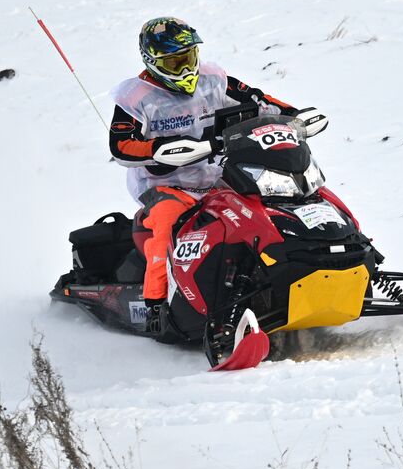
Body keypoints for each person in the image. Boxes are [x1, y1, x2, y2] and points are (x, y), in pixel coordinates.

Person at [107, 17, 327, 334]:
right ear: (153, 62)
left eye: (189, 58)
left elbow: (257, 99)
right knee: (167, 228)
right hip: (166, 186)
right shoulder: (136, 98)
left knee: (273, 204)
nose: (186, 70)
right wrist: (156, 148)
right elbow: (120, 144)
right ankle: (157, 308)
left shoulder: (213, 80)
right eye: (175, 62)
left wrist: (291, 117)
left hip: (217, 177)